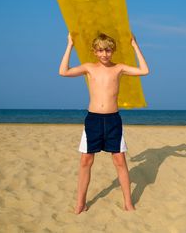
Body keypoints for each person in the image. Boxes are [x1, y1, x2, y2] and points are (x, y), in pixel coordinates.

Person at [59, 31, 149, 214]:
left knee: (119, 161)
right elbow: (63, 72)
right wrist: (70, 45)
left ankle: (128, 203)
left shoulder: (119, 68)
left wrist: (135, 46)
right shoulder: (89, 67)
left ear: (113, 51)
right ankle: (80, 203)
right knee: (85, 160)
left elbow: (144, 71)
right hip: (93, 119)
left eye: (108, 50)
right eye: (100, 50)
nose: (104, 54)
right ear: (94, 51)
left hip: (113, 120)